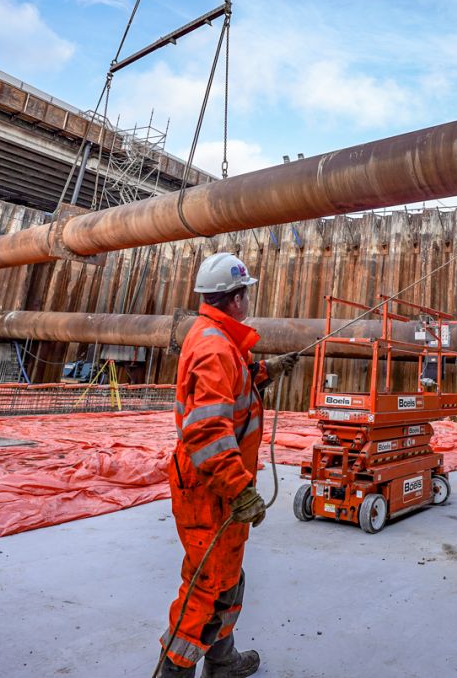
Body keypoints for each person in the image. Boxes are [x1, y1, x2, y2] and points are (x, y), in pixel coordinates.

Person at [157, 252, 299, 678]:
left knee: (227, 580)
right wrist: (239, 489)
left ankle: (222, 662)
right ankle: (175, 672)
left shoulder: (214, 338)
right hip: (212, 489)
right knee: (209, 588)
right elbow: (206, 431)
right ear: (236, 299)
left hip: (214, 486)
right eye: (246, 294)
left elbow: (229, 391)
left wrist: (265, 371)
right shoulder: (216, 348)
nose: (248, 300)